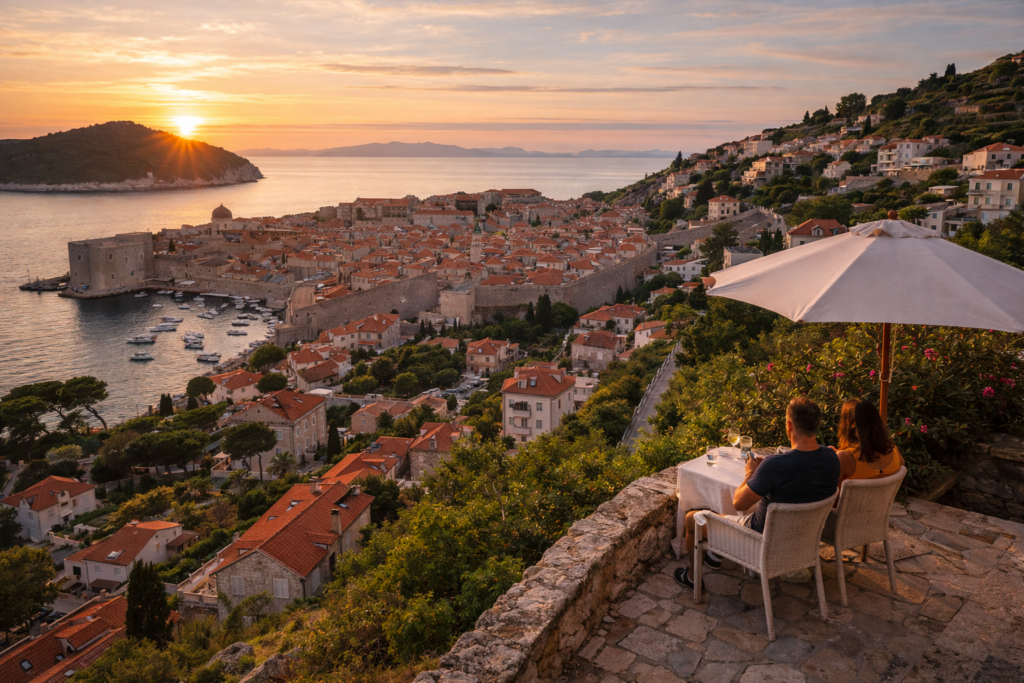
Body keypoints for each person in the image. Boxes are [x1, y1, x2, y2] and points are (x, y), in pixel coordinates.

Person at [676, 397, 841, 590]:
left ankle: (692, 577)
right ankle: (714, 556)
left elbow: (739, 503)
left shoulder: (776, 465)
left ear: (789, 425)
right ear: (818, 425)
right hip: (803, 540)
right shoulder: (832, 457)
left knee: (692, 520)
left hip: (761, 542)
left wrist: (750, 473)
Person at [834, 398, 903, 488]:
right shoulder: (892, 449)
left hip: (851, 502)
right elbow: (902, 465)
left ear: (852, 423)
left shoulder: (844, 458)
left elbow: (832, 492)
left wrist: (835, 457)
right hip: (882, 502)